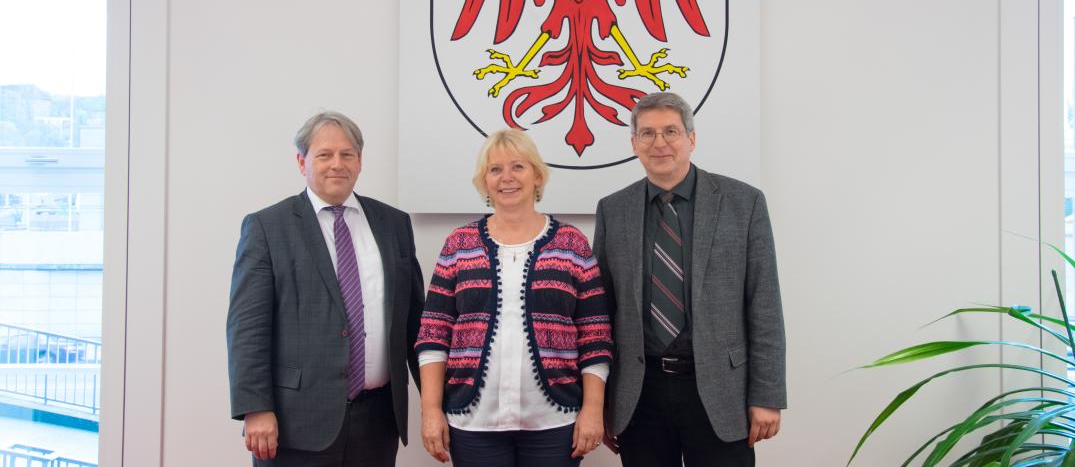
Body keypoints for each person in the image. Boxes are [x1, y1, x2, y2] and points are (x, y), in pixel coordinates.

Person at [593, 92, 786, 467]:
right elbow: (601, 314)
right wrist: (599, 402)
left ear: (691, 139)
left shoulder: (743, 203)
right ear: (634, 144)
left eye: (671, 131)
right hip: (640, 392)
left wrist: (767, 395)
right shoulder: (613, 210)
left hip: (720, 389)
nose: (659, 142)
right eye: (647, 133)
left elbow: (764, 304)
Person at [226, 111, 424, 467]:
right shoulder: (267, 227)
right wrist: (255, 408)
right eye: (324, 154)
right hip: (294, 423)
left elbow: (415, 324)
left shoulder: (394, 224)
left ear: (360, 162)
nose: (337, 164)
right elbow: (247, 328)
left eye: (347, 154)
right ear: (302, 162)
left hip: (378, 422)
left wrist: (436, 404)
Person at [416, 129, 614, 467]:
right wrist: (431, 411)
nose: (506, 178)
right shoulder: (458, 245)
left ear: (537, 175)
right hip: (474, 422)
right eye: (495, 169)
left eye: (518, 167)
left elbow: (595, 334)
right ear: (484, 181)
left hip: (555, 421)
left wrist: (594, 410)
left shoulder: (572, 244)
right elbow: (434, 334)